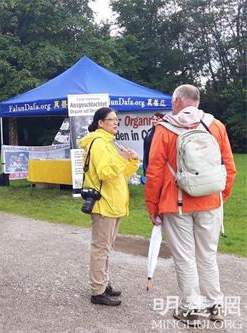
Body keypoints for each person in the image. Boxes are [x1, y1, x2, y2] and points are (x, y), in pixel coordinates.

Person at [145, 84, 236, 325]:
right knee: (208, 256)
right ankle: (215, 305)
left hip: (177, 204)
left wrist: (153, 207)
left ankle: (192, 309)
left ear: (176, 102)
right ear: (197, 100)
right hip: (211, 203)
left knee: (185, 257)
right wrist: (219, 198)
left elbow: (153, 173)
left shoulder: (164, 130)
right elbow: (229, 167)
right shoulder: (215, 126)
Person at [78, 107, 140, 306]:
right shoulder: (99, 144)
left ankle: (103, 283)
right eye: (111, 119)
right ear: (100, 123)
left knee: (106, 248)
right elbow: (105, 172)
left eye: (116, 120)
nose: (115, 122)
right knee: (101, 248)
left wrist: (132, 161)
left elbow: (121, 176)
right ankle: (98, 291)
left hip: (113, 204)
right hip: (104, 204)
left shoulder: (109, 143)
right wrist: (122, 159)